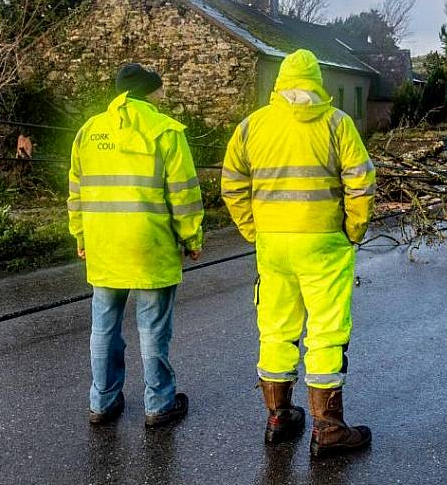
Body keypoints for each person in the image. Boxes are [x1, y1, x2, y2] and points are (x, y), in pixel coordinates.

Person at [221, 49, 376, 457]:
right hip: (324, 243)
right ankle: (328, 428)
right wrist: (353, 229)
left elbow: (232, 182)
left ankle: (279, 416)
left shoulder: (253, 125)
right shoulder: (337, 124)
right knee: (325, 331)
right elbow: (361, 182)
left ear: (280, 83)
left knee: (275, 328)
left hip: (273, 246)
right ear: (317, 82)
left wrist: (253, 229)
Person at [67, 63, 205, 427]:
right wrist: (192, 238)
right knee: (153, 328)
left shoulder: (89, 131)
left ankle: (102, 401)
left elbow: (76, 193)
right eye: (160, 89)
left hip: (104, 246)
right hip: (150, 246)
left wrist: (80, 235)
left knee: (104, 327)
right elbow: (184, 195)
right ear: (151, 92)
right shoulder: (166, 131)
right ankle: (159, 404)